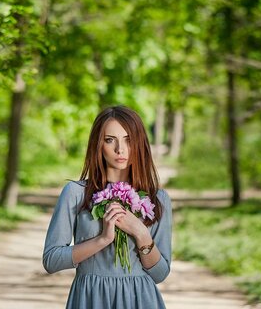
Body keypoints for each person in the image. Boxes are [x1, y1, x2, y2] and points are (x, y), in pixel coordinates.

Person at [43, 105, 172, 308]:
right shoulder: (75, 193)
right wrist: (102, 239)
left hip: (140, 300)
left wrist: (141, 233)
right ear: (98, 144)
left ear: (139, 144)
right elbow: (51, 260)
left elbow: (160, 273)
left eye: (128, 140)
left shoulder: (158, 199)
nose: (120, 149)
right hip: (90, 299)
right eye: (110, 140)